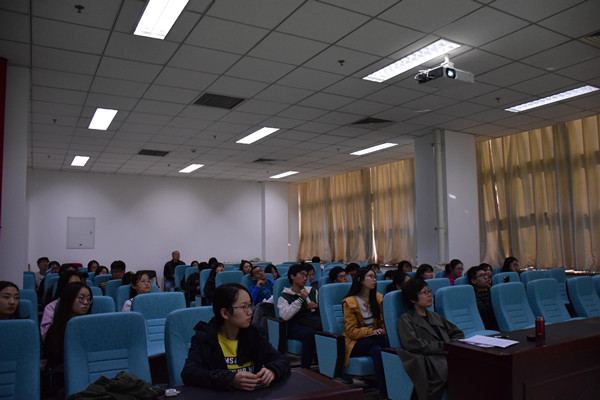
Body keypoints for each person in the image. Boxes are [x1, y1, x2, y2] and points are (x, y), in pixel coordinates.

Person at [181, 283, 290, 390]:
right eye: (244, 307)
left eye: (250, 305)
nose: (250, 312)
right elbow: (189, 373)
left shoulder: (254, 333)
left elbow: (281, 359)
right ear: (225, 313)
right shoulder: (205, 337)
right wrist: (230, 379)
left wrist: (273, 370)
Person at [397, 279, 464, 400]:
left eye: (429, 291)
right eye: (424, 292)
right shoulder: (406, 319)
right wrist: (444, 347)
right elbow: (413, 343)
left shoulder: (435, 315)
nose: (429, 295)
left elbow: (457, 333)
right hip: (431, 359)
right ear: (413, 299)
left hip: (448, 354)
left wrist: (454, 345)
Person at [342, 268, 388, 397]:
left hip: (374, 341)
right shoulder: (349, 302)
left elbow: (383, 323)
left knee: (377, 350)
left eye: (375, 277)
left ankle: (384, 392)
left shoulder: (379, 298)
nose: (374, 280)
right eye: (371, 276)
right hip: (355, 343)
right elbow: (351, 332)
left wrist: (382, 330)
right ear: (360, 280)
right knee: (382, 341)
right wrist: (372, 331)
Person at [277, 263, 321, 369]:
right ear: (292, 276)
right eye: (302, 275)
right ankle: (305, 368)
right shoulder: (284, 296)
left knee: (325, 331)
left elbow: (323, 309)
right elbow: (285, 316)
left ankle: (326, 365)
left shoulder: (312, 291)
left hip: (312, 321)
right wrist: (301, 299)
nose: (305, 278)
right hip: (294, 324)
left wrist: (317, 306)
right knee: (309, 334)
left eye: (306, 276)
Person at [44, 282, 93, 368]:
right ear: (69, 299)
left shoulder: (92, 326)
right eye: (81, 298)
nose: (86, 302)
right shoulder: (55, 331)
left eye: (89, 299)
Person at [40, 271, 86, 339]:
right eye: (73, 285)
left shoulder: (86, 304)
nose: (78, 288)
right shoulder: (52, 307)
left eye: (80, 285)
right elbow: (46, 336)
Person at [467, 266, 498, 331]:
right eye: (481, 275)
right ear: (473, 281)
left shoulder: (494, 292)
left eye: (486, 275)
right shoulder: (473, 296)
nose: (486, 277)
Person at [248, 266, 275, 333]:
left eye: (261, 270)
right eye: (257, 272)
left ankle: (252, 332)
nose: (260, 273)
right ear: (253, 277)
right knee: (264, 320)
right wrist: (257, 287)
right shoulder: (253, 288)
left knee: (260, 308)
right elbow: (251, 302)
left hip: (274, 307)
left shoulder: (273, 283)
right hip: (261, 312)